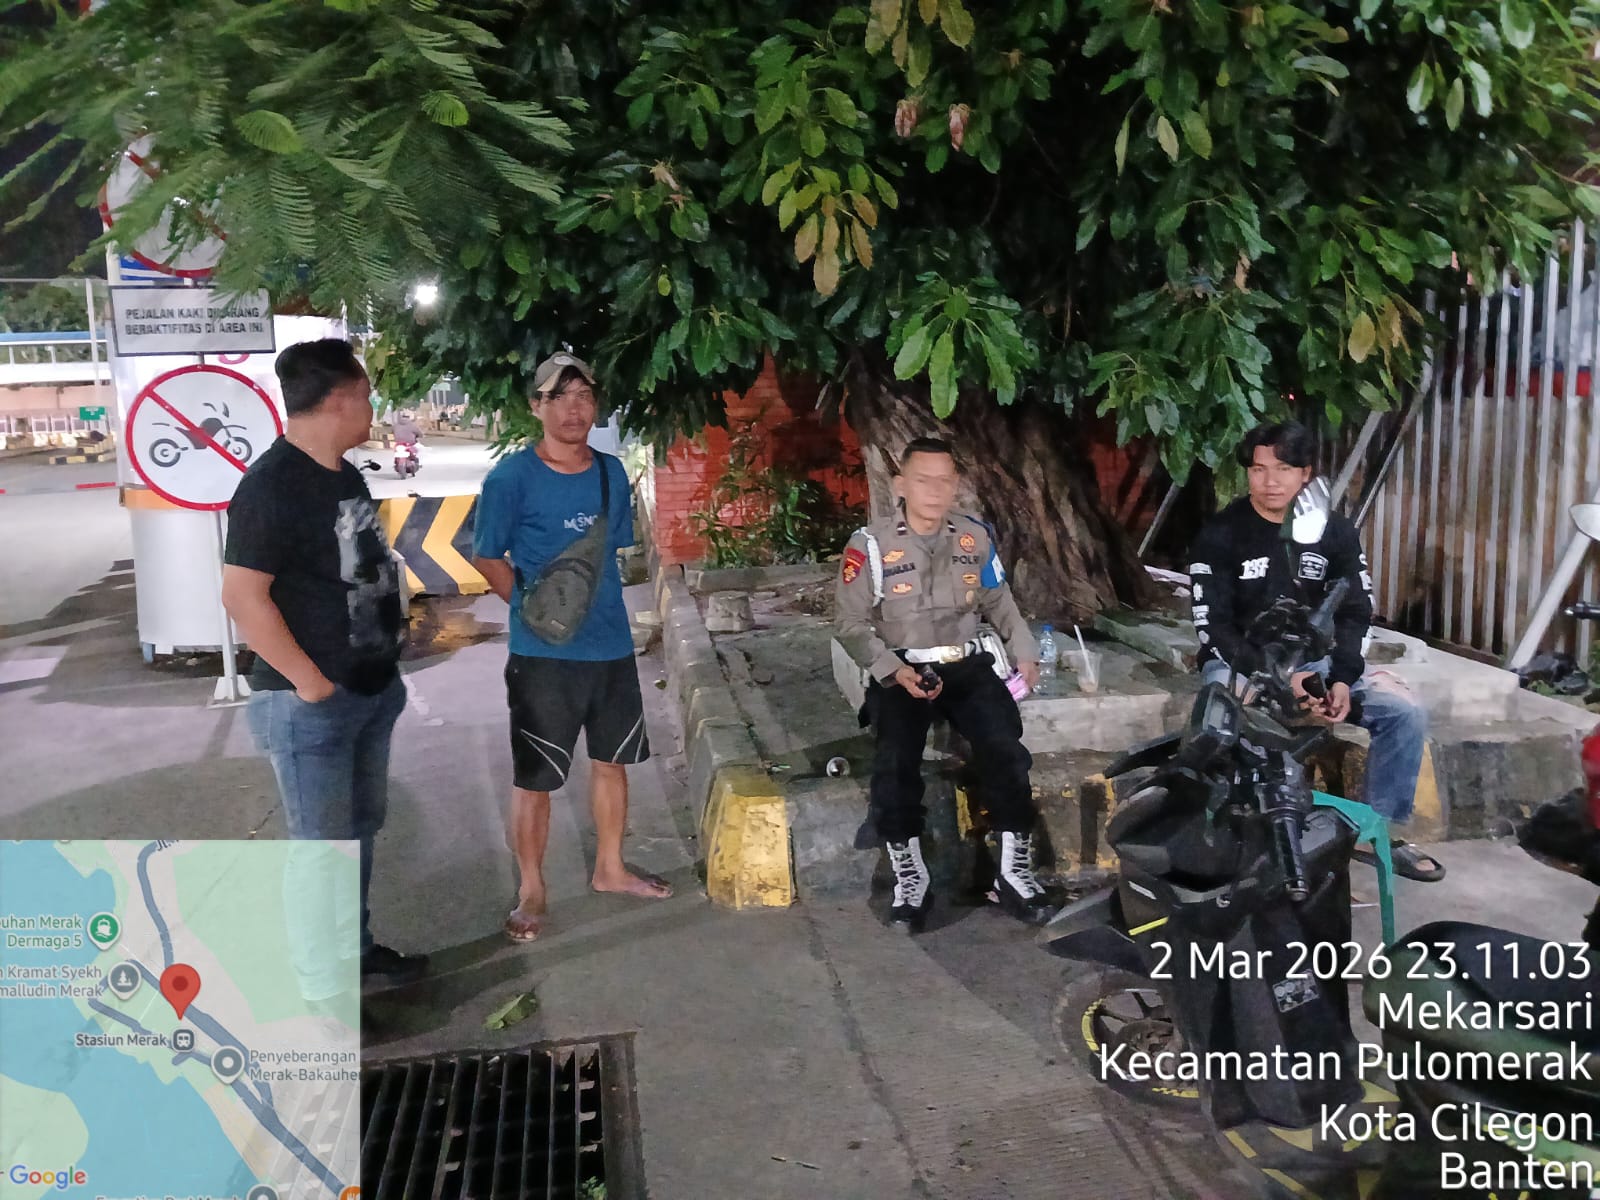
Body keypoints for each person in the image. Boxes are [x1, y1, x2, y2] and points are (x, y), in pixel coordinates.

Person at [221, 338, 429, 993]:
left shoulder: (342, 474)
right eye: (366, 395)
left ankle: (354, 953)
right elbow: (242, 596)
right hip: (309, 702)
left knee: (356, 833)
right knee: (321, 848)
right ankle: (322, 987)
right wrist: (311, 683)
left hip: (368, 689)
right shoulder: (270, 486)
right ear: (340, 398)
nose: (372, 408)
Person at [472, 351, 670, 943]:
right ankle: (532, 887)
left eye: (583, 396)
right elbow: (487, 554)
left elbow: (612, 555)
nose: (573, 409)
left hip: (609, 645)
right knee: (536, 777)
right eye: (558, 397)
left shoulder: (610, 474)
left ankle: (610, 868)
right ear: (536, 406)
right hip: (543, 656)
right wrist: (529, 609)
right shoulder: (510, 478)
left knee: (612, 762)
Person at [1189, 420, 1442, 881]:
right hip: (1243, 666)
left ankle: (1374, 831)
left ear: (1305, 473)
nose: (1270, 481)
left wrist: (1342, 678)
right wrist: (1280, 680)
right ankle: (1237, 837)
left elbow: (1356, 611)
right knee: (1219, 719)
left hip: (1318, 665)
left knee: (1403, 714)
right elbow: (1213, 627)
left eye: (1283, 469)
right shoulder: (1221, 534)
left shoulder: (1335, 532)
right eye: (1259, 470)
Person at [835, 437, 1055, 931]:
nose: (934, 491)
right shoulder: (869, 545)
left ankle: (1014, 873)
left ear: (956, 485)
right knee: (895, 760)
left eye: (944, 480)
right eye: (923, 480)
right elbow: (849, 623)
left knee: (1005, 749)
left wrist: (1024, 649)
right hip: (903, 668)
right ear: (900, 485)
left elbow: (998, 600)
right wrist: (890, 669)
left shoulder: (974, 536)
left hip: (965, 663)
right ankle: (910, 878)